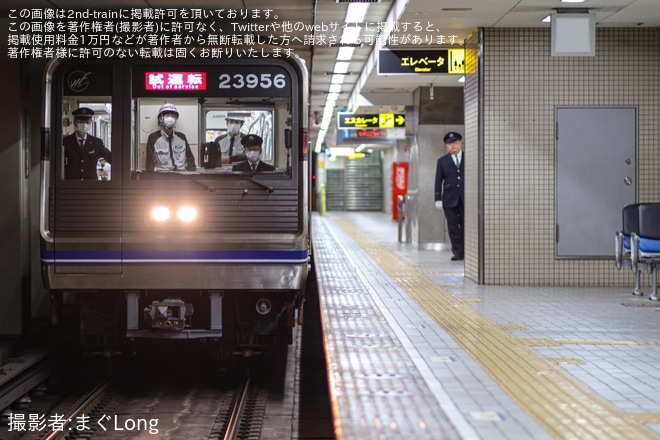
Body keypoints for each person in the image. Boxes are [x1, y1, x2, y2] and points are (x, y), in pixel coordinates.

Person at [434, 131, 464, 261]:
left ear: (460, 143)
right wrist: (437, 198)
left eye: (455, 143)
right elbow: (438, 180)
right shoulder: (442, 161)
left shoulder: (469, 158)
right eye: (449, 144)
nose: (452, 146)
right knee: (453, 227)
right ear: (446, 146)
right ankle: (457, 252)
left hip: (466, 199)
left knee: (466, 226)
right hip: (449, 200)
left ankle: (467, 251)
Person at [63, 107, 112, 180]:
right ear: (75, 122)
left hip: (90, 186)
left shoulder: (96, 142)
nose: (84, 125)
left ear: (91, 122)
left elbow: (111, 158)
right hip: (71, 186)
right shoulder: (65, 141)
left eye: (87, 122)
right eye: (81, 122)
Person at [146, 103, 196, 172]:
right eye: (167, 116)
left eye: (173, 116)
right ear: (161, 119)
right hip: (162, 176)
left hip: (181, 176)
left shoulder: (181, 137)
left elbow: (190, 160)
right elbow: (150, 164)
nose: (170, 118)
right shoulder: (153, 138)